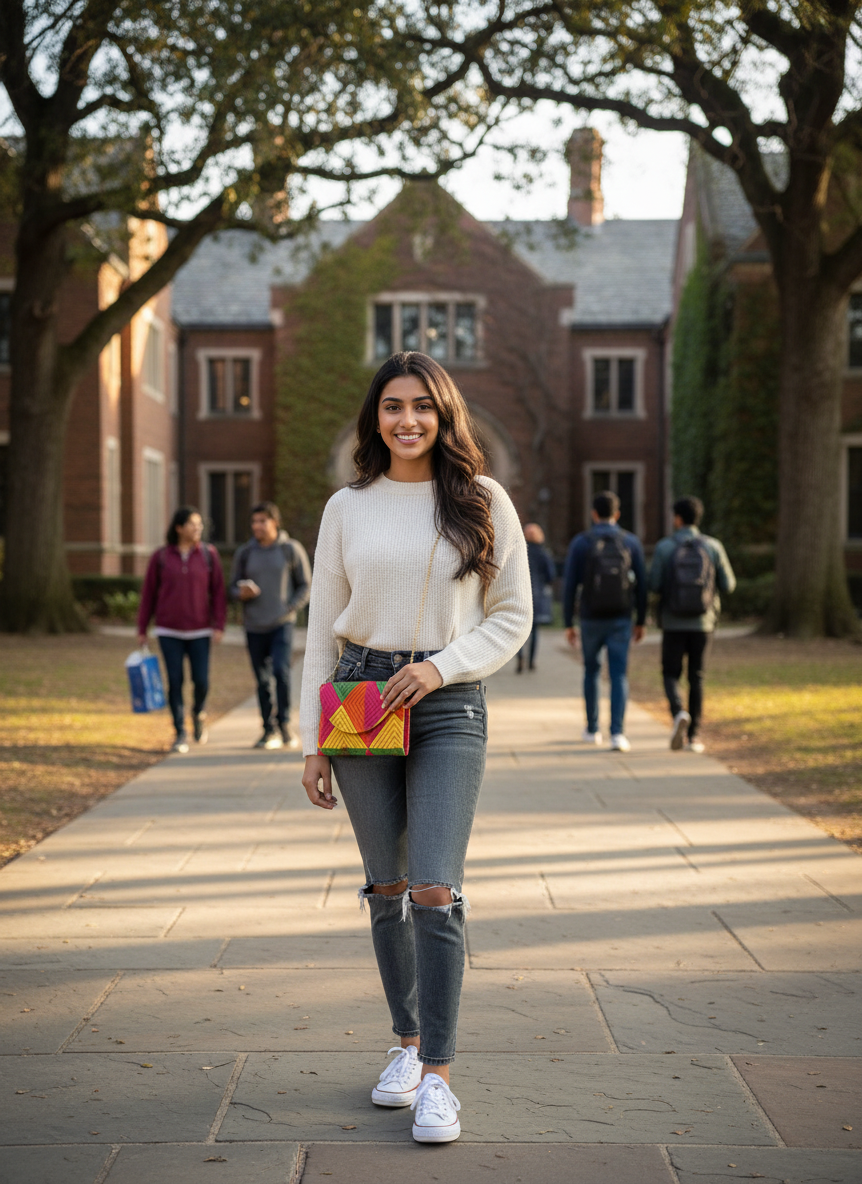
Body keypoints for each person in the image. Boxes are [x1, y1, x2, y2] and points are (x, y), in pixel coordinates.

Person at [299, 351, 531, 1144]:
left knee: (435, 885)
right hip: (360, 699)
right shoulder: (346, 508)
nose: (407, 420)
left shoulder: (481, 500)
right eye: (393, 406)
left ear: (444, 414)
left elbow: (512, 616)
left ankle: (437, 1075)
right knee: (386, 885)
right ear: (376, 418)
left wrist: (439, 667)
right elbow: (318, 631)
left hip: (448, 705)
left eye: (422, 406)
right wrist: (311, 743)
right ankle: (404, 1046)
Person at [649, 495, 736, 753]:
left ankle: (678, 713)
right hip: (704, 622)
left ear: (677, 519)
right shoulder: (713, 546)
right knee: (697, 677)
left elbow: (654, 584)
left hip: (673, 622)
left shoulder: (665, 547)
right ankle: (694, 737)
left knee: (670, 673)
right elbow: (729, 585)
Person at [562, 491, 647, 752]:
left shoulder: (581, 542)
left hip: (590, 618)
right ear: (617, 514)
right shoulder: (630, 542)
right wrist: (640, 620)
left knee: (591, 671)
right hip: (621, 617)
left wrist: (568, 622)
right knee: (619, 674)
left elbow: (569, 586)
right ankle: (618, 733)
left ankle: (592, 728)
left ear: (594, 514)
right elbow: (641, 585)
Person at [137, 506, 226, 754]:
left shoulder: (209, 554)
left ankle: (198, 713)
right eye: (192, 524)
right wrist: (142, 627)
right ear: (178, 528)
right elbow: (148, 595)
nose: (198, 528)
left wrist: (218, 624)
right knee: (175, 681)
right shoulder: (161, 557)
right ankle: (180, 733)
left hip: (200, 631)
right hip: (169, 631)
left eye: (199, 524)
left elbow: (218, 592)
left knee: (201, 681)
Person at [229, 502, 311, 750]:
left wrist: (290, 607)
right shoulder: (245, 552)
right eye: (254, 522)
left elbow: (305, 584)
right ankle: (268, 729)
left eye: (262, 521)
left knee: (280, 673)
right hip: (254, 625)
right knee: (262, 680)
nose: (257, 526)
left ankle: (285, 725)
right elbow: (232, 586)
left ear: (275, 522)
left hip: (281, 624)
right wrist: (241, 593)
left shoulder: (290, 549)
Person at [516, 522, 557, 673]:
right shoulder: (543, 553)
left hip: (520, 595)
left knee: (519, 630)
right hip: (537, 596)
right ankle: (531, 660)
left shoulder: (519, 551)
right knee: (534, 631)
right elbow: (551, 575)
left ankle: (520, 655)